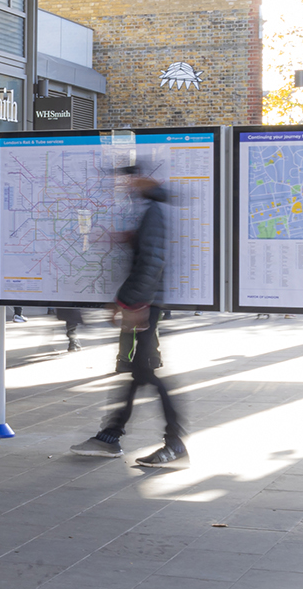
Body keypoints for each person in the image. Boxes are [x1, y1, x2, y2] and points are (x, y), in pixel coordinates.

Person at [71, 172, 187, 467]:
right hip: (144, 301)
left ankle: (173, 444)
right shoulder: (152, 210)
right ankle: (111, 435)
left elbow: (152, 262)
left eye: (132, 179)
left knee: (145, 371)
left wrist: (130, 303)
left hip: (146, 303)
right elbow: (147, 255)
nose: (127, 185)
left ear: (147, 180)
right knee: (139, 372)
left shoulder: (154, 212)